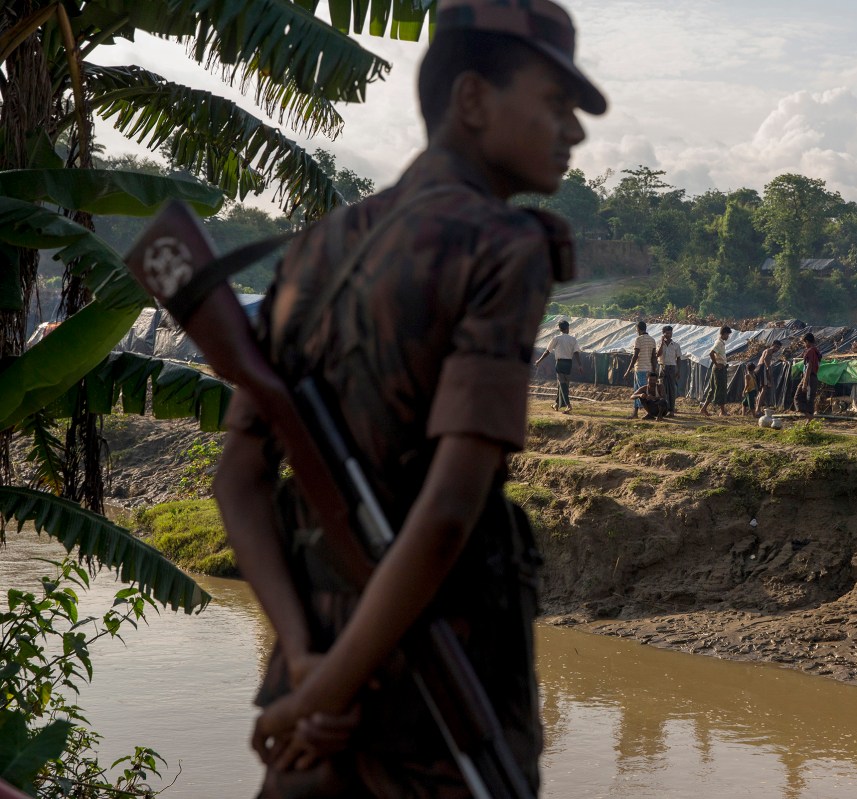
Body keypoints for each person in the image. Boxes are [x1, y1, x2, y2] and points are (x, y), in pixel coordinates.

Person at [212, 1, 606, 795]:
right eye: (554, 103)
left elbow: (237, 479)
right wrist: (329, 689)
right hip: (432, 711)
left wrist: (305, 667)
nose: (575, 131)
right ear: (471, 99)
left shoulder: (314, 248)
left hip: (311, 701)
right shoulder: (501, 244)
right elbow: (448, 514)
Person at [536, 318, 583, 412]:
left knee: (562, 384)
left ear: (560, 329)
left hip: (560, 363)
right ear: (568, 328)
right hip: (569, 364)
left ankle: (568, 405)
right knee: (562, 384)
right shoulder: (573, 339)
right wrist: (580, 365)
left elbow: (547, 351)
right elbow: (576, 353)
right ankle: (556, 404)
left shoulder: (556, 338)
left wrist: (539, 360)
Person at [625, 320, 657, 418]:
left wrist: (628, 370)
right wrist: (654, 370)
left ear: (638, 329)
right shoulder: (652, 340)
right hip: (649, 368)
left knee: (641, 392)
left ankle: (648, 412)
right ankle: (636, 412)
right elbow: (653, 357)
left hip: (640, 368)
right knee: (640, 391)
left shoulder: (638, 339)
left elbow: (635, 356)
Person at [699, 326, 731, 417]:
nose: (728, 337)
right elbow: (711, 353)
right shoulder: (719, 343)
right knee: (721, 389)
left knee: (712, 389)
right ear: (724, 333)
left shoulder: (721, 343)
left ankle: (704, 408)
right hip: (719, 369)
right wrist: (717, 364)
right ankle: (722, 411)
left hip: (718, 368)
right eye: (727, 335)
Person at [793, 333, 822, 418]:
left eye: (804, 342)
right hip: (814, 377)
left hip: (808, 377)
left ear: (807, 341)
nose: (804, 345)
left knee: (797, 397)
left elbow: (809, 366)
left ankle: (808, 417)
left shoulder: (810, 351)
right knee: (810, 399)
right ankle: (809, 420)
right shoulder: (816, 351)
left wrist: (805, 382)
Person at [657, 324, 683, 416]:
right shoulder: (660, 344)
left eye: (670, 333)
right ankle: (664, 409)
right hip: (662, 366)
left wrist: (678, 370)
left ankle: (671, 410)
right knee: (663, 389)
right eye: (667, 333)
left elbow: (679, 358)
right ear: (663, 334)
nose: (669, 335)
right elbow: (657, 354)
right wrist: (661, 343)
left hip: (672, 367)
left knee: (672, 389)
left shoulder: (676, 345)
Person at [755, 340, 785, 414]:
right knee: (764, 389)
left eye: (778, 348)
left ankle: (757, 409)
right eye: (776, 347)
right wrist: (769, 370)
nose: (777, 349)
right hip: (762, 368)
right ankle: (758, 409)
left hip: (758, 368)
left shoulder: (766, 350)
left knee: (761, 390)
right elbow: (766, 360)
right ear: (773, 345)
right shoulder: (769, 351)